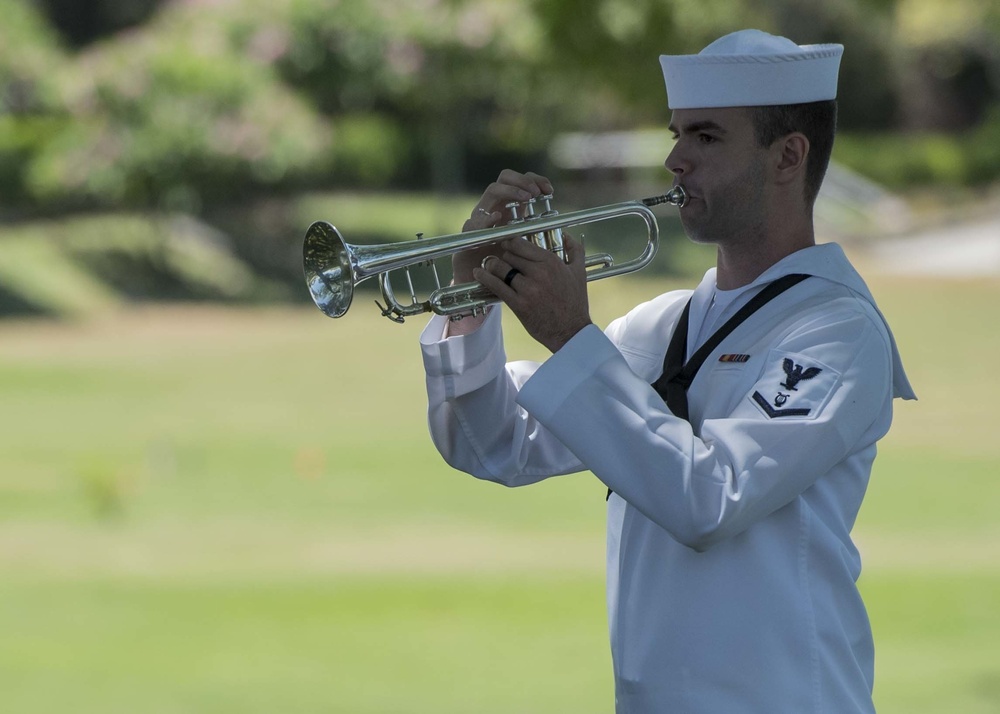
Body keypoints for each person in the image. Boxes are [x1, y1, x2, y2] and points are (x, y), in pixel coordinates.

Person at [419, 29, 916, 713]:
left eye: (707, 138)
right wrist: (473, 300)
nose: (674, 159)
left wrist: (571, 336)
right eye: (677, 133)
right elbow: (489, 443)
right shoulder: (664, 323)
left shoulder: (837, 330)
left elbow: (710, 498)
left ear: (788, 156)